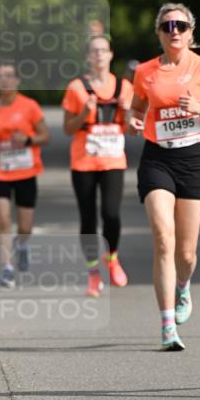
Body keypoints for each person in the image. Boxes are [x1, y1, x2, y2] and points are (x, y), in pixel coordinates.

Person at [127, 2, 200, 350]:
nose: (174, 31)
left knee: (186, 254)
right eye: (167, 26)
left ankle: (184, 287)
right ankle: (167, 327)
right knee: (163, 239)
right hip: (157, 159)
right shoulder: (145, 72)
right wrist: (133, 120)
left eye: (181, 26)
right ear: (159, 33)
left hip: (193, 161)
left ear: (191, 33)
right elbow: (138, 107)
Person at [62, 35, 134, 296]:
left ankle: (112, 258)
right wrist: (84, 112)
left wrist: (126, 112)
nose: (99, 55)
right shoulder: (76, 88)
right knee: (88, 218)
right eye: (94, 51)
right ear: (88, 57)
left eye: (104, 50)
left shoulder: (124, 87)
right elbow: (68, 128)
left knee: (112, 214)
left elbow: (130, 129)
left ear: (111, 54)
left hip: (113, 159)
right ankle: (93, 272)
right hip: (83, 161)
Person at [0, 63, 49, 287]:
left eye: (9, 76)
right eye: (0, 76)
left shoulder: (30, 107)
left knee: (25, 226)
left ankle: (22, 245)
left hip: (26, 170)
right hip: (0, 171)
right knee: (3, 219)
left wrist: (27, 140)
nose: (5, 80)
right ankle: (7, 267)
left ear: (18, 81)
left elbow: (44, 136)